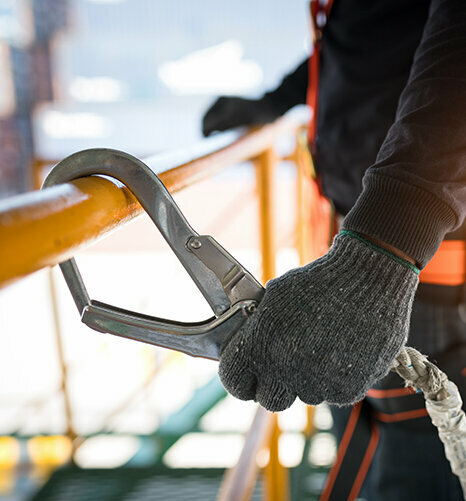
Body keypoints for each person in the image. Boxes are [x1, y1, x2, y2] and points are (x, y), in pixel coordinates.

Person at [202, 0, 466, 499]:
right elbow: (374, 35)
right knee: (359, 429)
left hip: (419, 258)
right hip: (363, 240)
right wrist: (279, 98)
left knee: (416, 461)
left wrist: (385, 248)